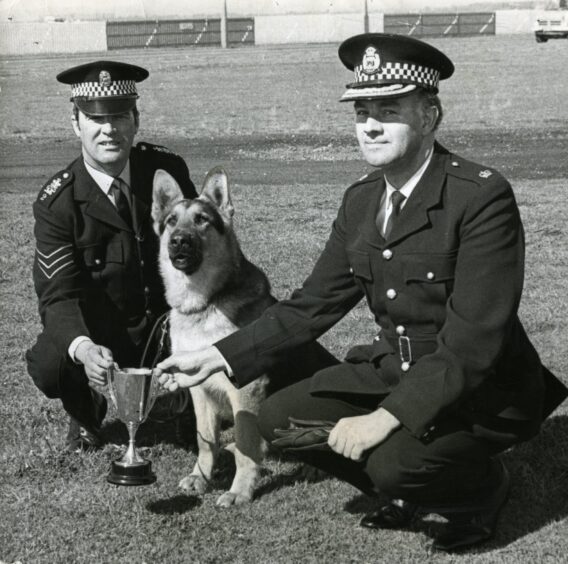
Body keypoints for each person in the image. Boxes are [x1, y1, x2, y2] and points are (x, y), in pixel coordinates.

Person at [156, 34, 567, 551]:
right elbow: (310, 306)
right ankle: (407, 480)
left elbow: (473, 345)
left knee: (394, 461)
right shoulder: (361, 201)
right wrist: (217, 356)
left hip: (484, 390)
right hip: (399, 368)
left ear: (428, 115)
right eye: (361, 110)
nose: (369, 124)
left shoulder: (481, 197)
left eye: (388, 109)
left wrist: (382, 419)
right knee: (277, 420)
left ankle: (481, 489)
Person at [26, 60, 198, 452]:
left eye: (120, 116)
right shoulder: (59, 202)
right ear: (76, 124)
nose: (109, 129)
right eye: (95, 119)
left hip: (164, 330)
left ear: (135, 120)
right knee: (53, 361)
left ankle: (188, 405)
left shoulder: (165, 171)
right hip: (102, 337)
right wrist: (85, 350)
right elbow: (58, 295)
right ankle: (85, 413)